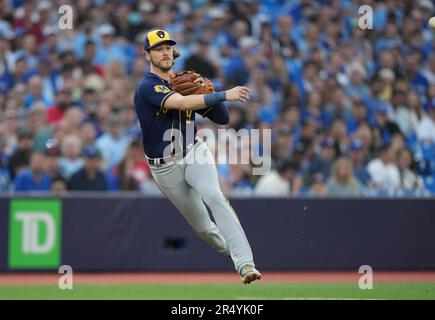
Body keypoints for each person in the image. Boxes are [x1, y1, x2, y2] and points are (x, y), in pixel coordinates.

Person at [133, 29, 261, 284]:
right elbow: (179, 104)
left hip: (194, 152)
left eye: (168, 47)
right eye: (158, 49)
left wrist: (207, 91)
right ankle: (232, 249)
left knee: (215, 196)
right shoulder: (146, 87)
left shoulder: (185, 81)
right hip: (164, 168)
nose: (165, 52)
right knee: (203, 227)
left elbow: (222, 119)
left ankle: (245, 263)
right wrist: (224, 93)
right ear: (147, 55)